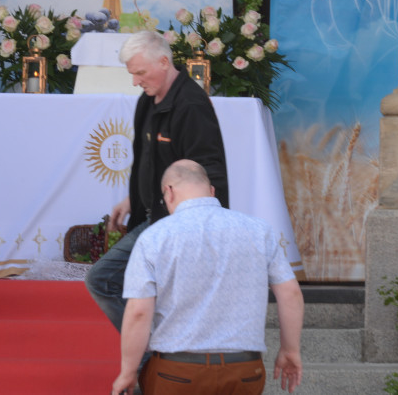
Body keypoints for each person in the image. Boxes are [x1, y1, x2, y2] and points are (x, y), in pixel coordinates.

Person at [111, 160, 304, 395]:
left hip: (176, 372)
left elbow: (139, 312)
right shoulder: (259, 230)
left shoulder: (155, 237)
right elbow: (291, 293)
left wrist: (128, 371)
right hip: (243, 370)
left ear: (169, 192)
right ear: (211, 191)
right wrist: (290, 350)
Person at [86, 29, 229, 331]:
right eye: (132, 74)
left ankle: (152, 357)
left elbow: (208, 172)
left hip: (178, 226)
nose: (135, 81)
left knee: (102, 279)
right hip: (155, 217)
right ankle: (156, 358)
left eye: (140, 73)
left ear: (164, 61)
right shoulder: (146, 101)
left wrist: (194, 231)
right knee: (115, 283)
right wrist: (133, 199)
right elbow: (147, 161)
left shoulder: (191, 105)